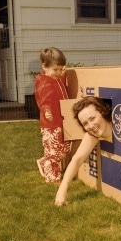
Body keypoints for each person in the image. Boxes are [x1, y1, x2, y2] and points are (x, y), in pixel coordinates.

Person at [54, 96, 112, 206]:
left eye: (92, 118)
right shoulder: (92, 135)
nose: (91, 126)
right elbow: (77, 159)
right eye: (85, 123)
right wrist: (62, 191)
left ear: (103, 112)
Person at [35, 47, 71, 183]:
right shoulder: (44, 84)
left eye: (60, 69)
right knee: (54, 152)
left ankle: (44, 161)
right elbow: (44, 100)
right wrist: (46, 111)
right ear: (45, 66)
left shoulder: (55, 79)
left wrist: (62, 75)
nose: (59, 72)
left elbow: (59, 84)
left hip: (59, 120)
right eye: (56, 70)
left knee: (63, 149)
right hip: (50, 124)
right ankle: (53, 177)